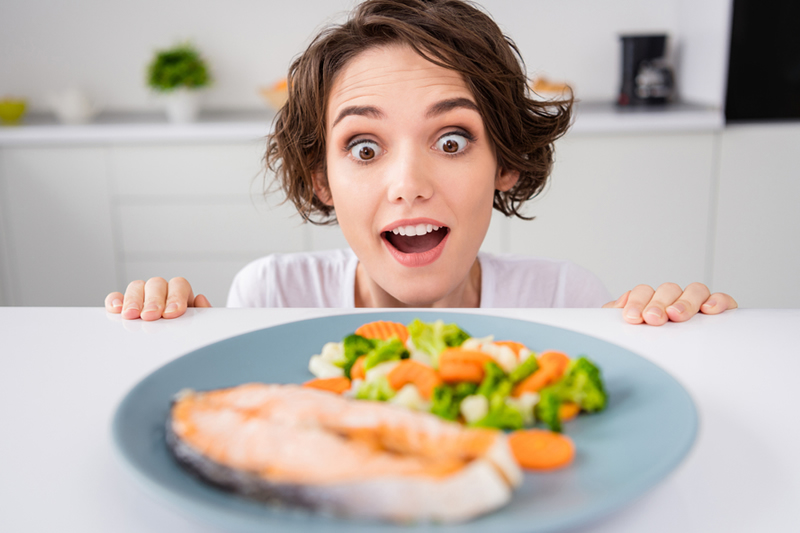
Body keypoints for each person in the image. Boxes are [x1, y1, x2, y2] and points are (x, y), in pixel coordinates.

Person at [104, 0, 737, 326]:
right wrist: (169, 332)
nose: (408, 185)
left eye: (453, 141)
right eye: (364, 147)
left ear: (506, 164)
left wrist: (683, 333)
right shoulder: (269, 297)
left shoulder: (565, 301)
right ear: (321, 178)